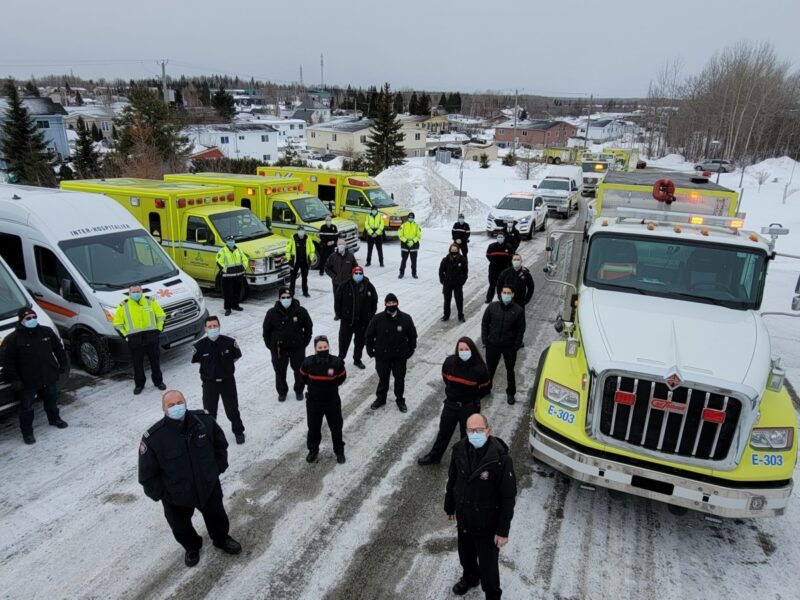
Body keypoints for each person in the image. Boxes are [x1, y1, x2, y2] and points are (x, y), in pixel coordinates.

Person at [138, 390, 242, 568]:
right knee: (181, 526)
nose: (176, 407)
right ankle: (192, 547)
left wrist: (216, 470)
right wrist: (164, 494)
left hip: (207, 486)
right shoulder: (154, 438)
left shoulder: (204, 421)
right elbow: (147, 475)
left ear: (185, 402)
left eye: (179, 402)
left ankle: (221, 539)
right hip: (177, 495)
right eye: (171, 405)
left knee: (217, 516)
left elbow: (220, 445)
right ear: (164, 409)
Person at [444, 414, 516, 599]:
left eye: (479, 430)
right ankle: (470, 578)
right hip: (465, 519)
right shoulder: (459, 449)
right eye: (471, 430)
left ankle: (492, 595)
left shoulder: (500, 460)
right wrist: (450, 504)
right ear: (466, 432)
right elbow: (453, 479)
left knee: (489, 569)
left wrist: (502, 531)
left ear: (488, 431)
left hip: (487, 525)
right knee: (465, 556)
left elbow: (508, 497)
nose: (475, 433)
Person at [0, 307, 68, 444]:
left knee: (51, 399)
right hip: (27, 381)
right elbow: (8, 363)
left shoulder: (46, 331)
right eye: (28, 318)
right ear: (22, 320)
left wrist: (63, 364)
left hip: (47, 375)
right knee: (26, 408)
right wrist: (15, 380)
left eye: (34, 317)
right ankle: (27, 433)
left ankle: (54, 419)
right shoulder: (12, 339)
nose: (32, 320)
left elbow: (58, 349)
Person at [418, 338, 491, 466]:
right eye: (461, 349)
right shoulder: (449, 363)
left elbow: (485, 388)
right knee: (443, 432)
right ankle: (434, 457)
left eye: (466, 349)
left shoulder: (480, 368)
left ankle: (466, 461)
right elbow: (446, 379)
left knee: (467, 436)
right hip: (451, 405)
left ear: (472, 350)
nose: (463, 352)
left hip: (469, 407)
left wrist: (473, 399)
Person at [191, 315, 245, 445]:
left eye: (215, 326)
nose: (212, 328)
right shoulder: (199, 347)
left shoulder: (230, 343)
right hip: (210, 384)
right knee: (209, 412)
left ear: (219, 326)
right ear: (205, 328)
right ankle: (211, 436)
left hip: (227, 382)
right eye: (209, 327)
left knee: (232, 410)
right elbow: (198, 362)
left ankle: (238, 432)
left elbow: (236, 357)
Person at [299, 335, 347, 464]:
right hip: (314, 402)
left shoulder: (336, 362)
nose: (323, 349)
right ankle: (313, 450)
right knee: (313, 428)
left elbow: (341, 378)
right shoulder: (308, 362)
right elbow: (303, 377)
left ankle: (339, 450)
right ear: (315, 349)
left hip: (332, 401)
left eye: (325, 347)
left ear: (329, 347)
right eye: (320, 347)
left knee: (336, 428)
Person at [365, 293, 417, 413]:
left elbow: (412, 335)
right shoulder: (377, 318)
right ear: (385, 304)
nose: (391, 305)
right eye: (389, 303)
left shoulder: (406, 318)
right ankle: (381, 399)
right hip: (382, 356)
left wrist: (411, 349)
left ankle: (400, 399)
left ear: (397, 303)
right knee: (383, 379)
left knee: (399, 379)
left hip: (399, 356)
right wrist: (370, 350)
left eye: (393, 302)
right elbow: (369, 335)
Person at [262, 286, 313, 402]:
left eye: (288, 297)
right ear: (279, 298)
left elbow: (308, 327)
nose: (286, 299)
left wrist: (304, 342)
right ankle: (282, 391)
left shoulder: (301, 311)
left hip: (297, 347)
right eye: (283, 297)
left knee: (299, 370)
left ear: (292, 297)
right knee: (279, 371)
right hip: (279, 348)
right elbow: (266, 331)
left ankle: (299, 390)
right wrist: (271, 345)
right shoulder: (271, 313)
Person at [113, 283, 166, 395]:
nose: (136, 293)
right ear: (129, 293)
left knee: (155, 362)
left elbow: (161, 316)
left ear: (142, 292)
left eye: (138, 291)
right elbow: (117, 324)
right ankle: (139, 385)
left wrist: (158, 330)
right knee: (137, 364)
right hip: (134, 340)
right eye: (133, 292)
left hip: (151, 337)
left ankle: (158, 382)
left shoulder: (150, 301)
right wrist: (126, 336)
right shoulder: (124, 306)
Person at [481, 286, 526, 405]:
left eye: (508, 293)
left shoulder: (518, 311)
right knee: (489, 369)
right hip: (493, 345)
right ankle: (486, 389)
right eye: (504, 292)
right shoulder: (492, 307)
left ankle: (510, 393)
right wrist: (485, 340)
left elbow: (521, 330)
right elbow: (485, 323)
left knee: (510, 370)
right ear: (500, 294)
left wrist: (516, 346)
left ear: (513, 295)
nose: (506, 294)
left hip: (509, 347)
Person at [334, 265, 378, 369]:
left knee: (360, 342)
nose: (358, 275)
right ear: (352, 274)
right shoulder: (344, 285)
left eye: (360, 273)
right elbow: (337, 301)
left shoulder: (369, 286)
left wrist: (370, 315)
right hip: (347, 321)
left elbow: (374, 301)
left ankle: (357, 359)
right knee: (344, 341)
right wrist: (340, 314)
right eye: (356, 273)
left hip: (362, 322)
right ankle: (341, 359)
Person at [216, 236, 248, 316]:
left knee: (237, 291)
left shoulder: (238, 249)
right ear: (226, 242)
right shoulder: (222, 251)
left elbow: (245, 258)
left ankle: (235, 305)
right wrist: (226, 269)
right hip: (227, 277)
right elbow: (219, 261)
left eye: (232, 240)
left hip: (238, 275)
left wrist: (243, 267)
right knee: (228, 294)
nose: (231, 242)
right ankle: (228, 309)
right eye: (229, 241)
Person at [440, 243, 468, 322]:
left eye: (455, 249)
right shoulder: (445, 259)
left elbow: (465, 272)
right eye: (452, 249)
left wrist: (462, 281)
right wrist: (443, 281)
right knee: (447, 300)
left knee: (459, 300)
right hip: (447, 283)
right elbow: (441, 271)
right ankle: (446, 315)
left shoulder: (462, 259)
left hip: (457, 284)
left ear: (458, 250)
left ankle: (460, 315)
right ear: (450, 250)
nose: (454, 251)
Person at [286, 225, 315, 298]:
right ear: (297, 231)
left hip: (304, 261)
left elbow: (312, 249)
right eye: (299, 230)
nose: (301, 231)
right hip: (295, 261)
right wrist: (289, 260)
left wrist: (310, 258)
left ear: (304, 231)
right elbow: (287, 250)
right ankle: (291, 293)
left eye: (302, 230)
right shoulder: (293, 238)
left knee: (304, 278)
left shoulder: (308, 238)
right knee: (293, 278)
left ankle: (305, 292)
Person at [484, 234, 513, 304]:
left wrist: (508, 265)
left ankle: (502, 298)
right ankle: (489, 299)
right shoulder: (491, 246)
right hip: (493, 269)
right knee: (492, 285)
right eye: (499, 237)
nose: (500, 238)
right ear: (496, 238)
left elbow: (511, 256)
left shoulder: (508, 246)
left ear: (504, 238)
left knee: (503, 285)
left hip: (504, 269)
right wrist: (492, 261)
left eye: (501, 237)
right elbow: (488, 255)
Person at [398, 212, 422, 279]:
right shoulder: (403, 225)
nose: (410, 218)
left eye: (412, 217)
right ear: (408, 218)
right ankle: (401, 273)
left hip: (414, 246)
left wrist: (413, 241)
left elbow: (419, 235)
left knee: (414, 261)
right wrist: (406, 241)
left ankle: (414, 273)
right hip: (405, 245)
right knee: (404, 260)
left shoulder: (417, 226)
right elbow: (400, 234)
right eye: (409, 217)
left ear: (413, 218)